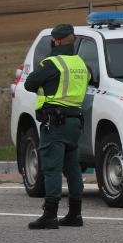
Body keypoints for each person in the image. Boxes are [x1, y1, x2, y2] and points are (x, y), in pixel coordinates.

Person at [23, 23, 89, 229]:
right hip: (74, 122)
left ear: (56, 41)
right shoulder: (80, 63)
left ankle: (50, 215)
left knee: (51, 168)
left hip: (55, 123)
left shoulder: (52, 63)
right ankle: (75, 214)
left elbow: (29, 84)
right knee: (73, 169)